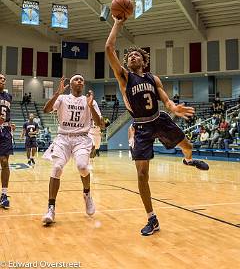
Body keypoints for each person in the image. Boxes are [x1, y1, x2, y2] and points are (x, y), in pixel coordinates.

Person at [105, 17, 209, 236]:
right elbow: (109, 48)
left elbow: (164, 98)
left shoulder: (153, 78)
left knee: (188, 146)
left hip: (159, 119)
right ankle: (152, 218)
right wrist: (118, 23)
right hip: (141, 127)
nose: (133, 56)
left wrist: (173, 107)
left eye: (137, 55)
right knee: (142, 175)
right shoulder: (125, 77)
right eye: (130, 55)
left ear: (144, 61)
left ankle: (188, 160)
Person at [42, 75, 102, 225]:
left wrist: (90, 107)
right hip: (63, 138)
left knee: (82, 167)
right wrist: (57, 93)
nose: (80, 81)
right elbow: (46, 109)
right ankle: (51, 208)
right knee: (56, 168)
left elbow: (101, 123)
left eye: (82, 79)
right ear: (70, 84)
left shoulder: (90, 101)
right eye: (76, 79)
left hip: (81, 138)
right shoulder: (62, 98)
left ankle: (87, 194)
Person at [0, 74, 15, 208]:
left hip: (5, 132)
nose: (3, 80)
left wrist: (11, 124)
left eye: (4, 79)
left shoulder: (8, 97)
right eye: (0, 78)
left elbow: (7, 114)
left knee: (5, 162)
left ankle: (4, 194)